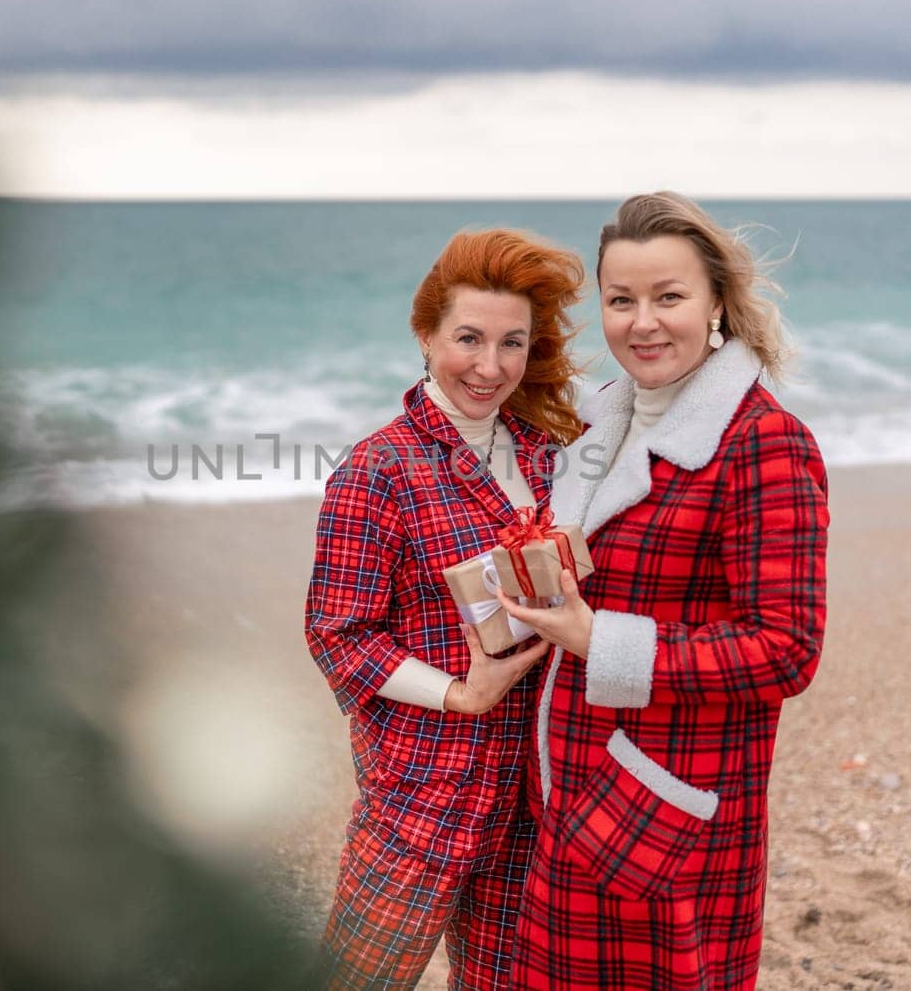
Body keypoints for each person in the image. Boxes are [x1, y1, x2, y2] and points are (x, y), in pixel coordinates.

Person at [497, 192, 829, 989]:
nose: (642, 322)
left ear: (717, 301)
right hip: (569, 787)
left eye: (668, 297)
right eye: (621, 300)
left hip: (668, 810)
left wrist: (597, 639)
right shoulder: (600, 422)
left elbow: (786, 650)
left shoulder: (764, 442)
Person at [305, 229, 585, 990]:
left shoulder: (545, 453)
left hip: (529, 795)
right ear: (425, 335)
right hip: (426, 793)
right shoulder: (378, 468)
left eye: (512, 343)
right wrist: (461, 692)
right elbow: (337, 634)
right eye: (468, 338)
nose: (489, 367)